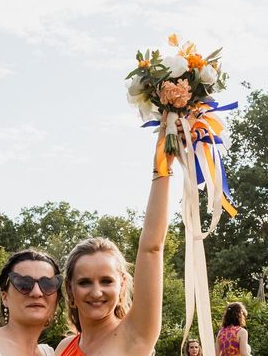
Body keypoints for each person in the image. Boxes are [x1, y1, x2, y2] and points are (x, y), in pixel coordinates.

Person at [55, 117, 175, 356]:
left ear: (122, 285)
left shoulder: (134, 335)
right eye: (84, 282)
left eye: (107, 281)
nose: (96, 292)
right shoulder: (63, 348)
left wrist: (162, 165)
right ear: (70, 290)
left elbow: (151, 247)